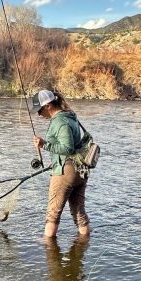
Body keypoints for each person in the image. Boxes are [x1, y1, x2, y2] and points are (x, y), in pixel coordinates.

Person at [32, 89, 90, 238]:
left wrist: (44, 145)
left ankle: (49, 248)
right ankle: (83, 245)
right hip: (80, 170)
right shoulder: (70, 116)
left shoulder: (59, 121)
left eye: (39, 110)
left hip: (66, 172)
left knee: (53, 213)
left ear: (48, 106)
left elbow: (68, 148)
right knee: (79, 212)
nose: (38, 114)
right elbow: (71, 146)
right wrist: (54, 161)